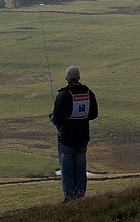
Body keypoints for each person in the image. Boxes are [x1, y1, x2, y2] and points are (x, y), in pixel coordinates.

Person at [49, 65, 98, 203]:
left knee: (67, 171)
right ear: (79, 77)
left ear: (66, 78)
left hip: (66, 139)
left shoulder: (63, 95)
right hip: (83, 138)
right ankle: (80, 196)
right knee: (80, 169)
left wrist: (54, 119)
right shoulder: (89, 93)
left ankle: (69, 198)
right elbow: (94, 114)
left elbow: (57, 118)